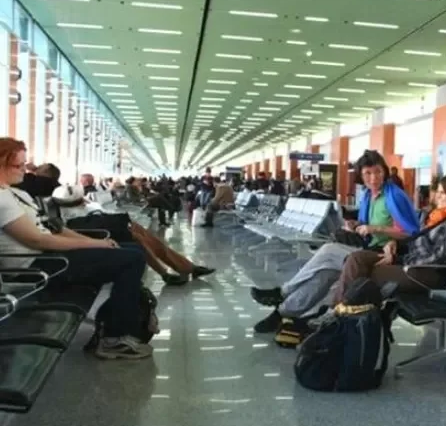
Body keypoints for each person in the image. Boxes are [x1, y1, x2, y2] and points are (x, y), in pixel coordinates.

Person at [0, 137, 152, 360]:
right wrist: (95, 243)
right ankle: (115, 337)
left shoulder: (16, 193)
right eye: (18, 165)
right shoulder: (2, 199)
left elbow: (55, 229)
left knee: (132, 249)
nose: (25, 169)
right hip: (36, 266)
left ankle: (113, 323)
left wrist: (96, 242)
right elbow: (38, 241)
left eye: (24, 164)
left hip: (50, 258)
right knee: (132, 260)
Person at [250, 149, 421, 333]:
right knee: (324, 275)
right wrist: (356, 224)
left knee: (328, 250)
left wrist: (376, 228)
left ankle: (283, 292)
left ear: (384, 171)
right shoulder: (368, 195)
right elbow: (366, 224)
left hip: (383, 252)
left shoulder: (394, 196)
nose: (373, 178)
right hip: (367, 246)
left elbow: (411, 232)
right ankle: (283, 313)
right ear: (361, 175)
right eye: (368, 173)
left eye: (378, 172)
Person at [329, 174, 446, 304]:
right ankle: (339, 312)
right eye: (438, 191)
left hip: (427, 273)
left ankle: (340, 315)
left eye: (443, 193)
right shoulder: (434, 216)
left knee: (365, 272)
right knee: (356, 259)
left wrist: (398, 260)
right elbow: (414, 240)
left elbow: (438, 259)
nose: (437, 196)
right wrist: (395, 244)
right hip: (410, 263)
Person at [52, 185, 215, 285]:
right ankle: (169, 272)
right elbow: (77, 226)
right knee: (138, 239)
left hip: (108, 226)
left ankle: (185, 268)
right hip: (99, 233)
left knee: (148, 238)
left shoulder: (82, 204)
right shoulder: (71, 213)